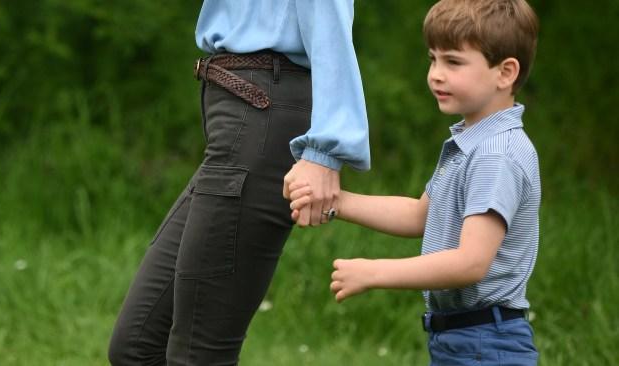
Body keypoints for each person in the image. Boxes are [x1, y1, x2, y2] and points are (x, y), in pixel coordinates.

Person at [108, 1, 370, 365]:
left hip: (262, 115)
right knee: (137, 346)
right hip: (237, 113)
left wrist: (327, 145)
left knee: (197, 356)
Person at [289, 0, 541, 364]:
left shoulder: (495, 155)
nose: (436, 74)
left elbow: (471, 262)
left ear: (505, 73)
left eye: (453, 62)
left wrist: (375, 272)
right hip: (465, 338)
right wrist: (335, 201)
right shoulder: (473, 143)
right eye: (433, 59)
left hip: (488, 345)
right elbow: (420, 215)